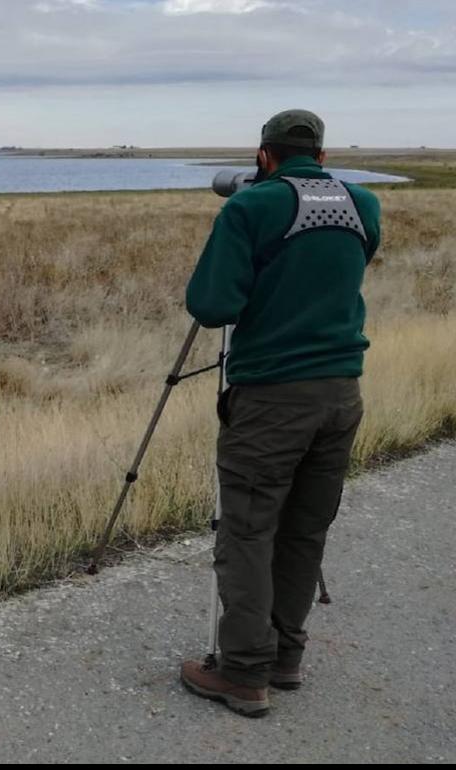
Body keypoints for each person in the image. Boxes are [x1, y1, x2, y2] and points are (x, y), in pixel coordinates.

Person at [179, 109, 382, 717]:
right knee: (304, 528)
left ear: (263, 155)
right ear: (320, 155)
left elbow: (212, 305)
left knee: (246, 531)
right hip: (342, 392)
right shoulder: (364, 204)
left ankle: (242, 673)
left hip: (272, 397)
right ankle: (286, 657)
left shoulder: (249, 208)